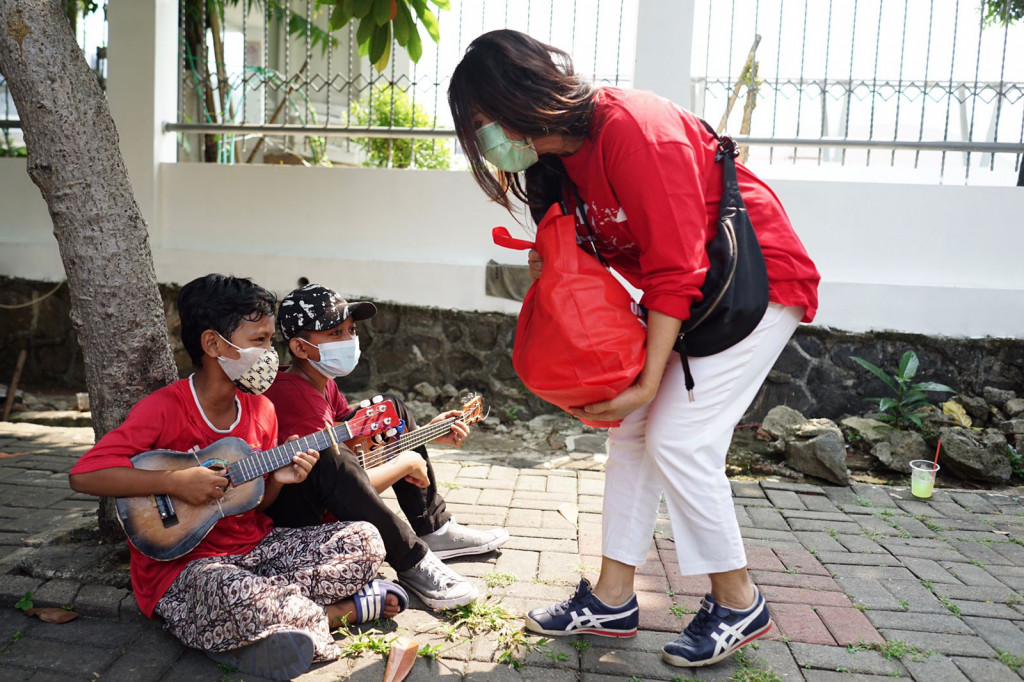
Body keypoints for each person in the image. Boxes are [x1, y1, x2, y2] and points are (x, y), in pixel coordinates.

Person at [448, 30, 820, 668]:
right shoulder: (552, 164)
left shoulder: (634, 129)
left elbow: (678, 268)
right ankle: (613, 599)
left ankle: (738, 600)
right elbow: (589, 269)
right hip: (687, 296)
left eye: (485, 122)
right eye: (476, 129)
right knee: (632, 433)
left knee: (679, 437)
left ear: (524, 96)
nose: (486, 141)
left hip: (753, 286)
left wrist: (647, 380)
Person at [68, 274, 406, 681]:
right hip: (185, 567)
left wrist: (277, 479)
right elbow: (85, 476)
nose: (269, 354)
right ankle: (341, 612)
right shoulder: (164, 408)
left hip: (255, 552)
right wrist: (175, 483)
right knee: (233, 592)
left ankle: (264, 624)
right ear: (213, 345)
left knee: (366, 539)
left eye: (270, 341)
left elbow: (251, 505)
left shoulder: (262, 410)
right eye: (259, 341)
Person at [263, 282, 510, 609]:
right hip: (299, 518)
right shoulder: (296, 399)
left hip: (330, 488)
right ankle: (411, 561)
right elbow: (346, 483)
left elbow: (361, 445)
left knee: (393, 409)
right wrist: (405, 463)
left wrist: (425, 433)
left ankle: (434, 529)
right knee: (333, 456)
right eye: (335, 333)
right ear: (300, 347)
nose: (350, 340)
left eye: (351, 330)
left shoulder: (321, 384)